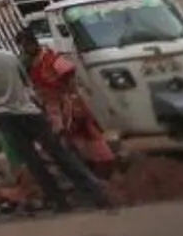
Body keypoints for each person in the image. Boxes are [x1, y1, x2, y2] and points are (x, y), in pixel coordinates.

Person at [0, 18, 111, 211]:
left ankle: (60, 202)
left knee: (34, 162)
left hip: (7, 118)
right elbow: (27, 85)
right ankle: (96, 194)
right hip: (31, 112)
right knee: (61, 154)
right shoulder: (8, 56)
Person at [25, 30, 119, 176]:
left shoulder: (51, 58)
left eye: (27, 45)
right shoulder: (32, 63)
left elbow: (69, 78)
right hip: (51, 106)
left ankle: (99, 165)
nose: (25, 49)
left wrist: (74, 98)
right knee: (64, 137)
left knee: (82, 131)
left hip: (65, 102)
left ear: (33, 43)